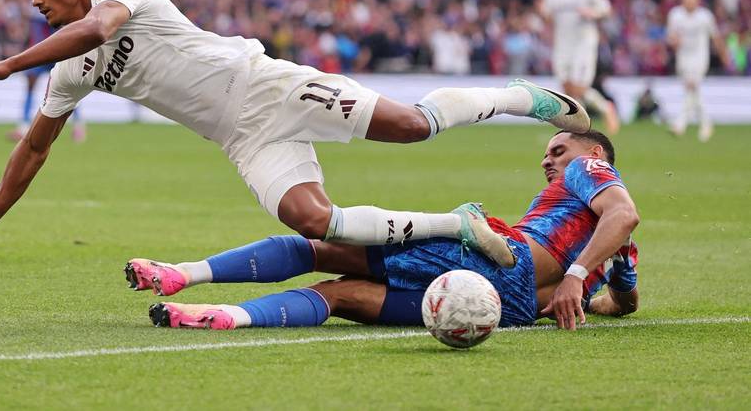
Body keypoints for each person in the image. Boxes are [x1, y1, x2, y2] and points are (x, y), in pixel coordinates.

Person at [0, 0, 590, 268]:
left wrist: (8, 64)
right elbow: (36, 148)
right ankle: (460, 224)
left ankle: (518, 96)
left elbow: (99, 29)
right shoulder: (68, 71)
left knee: (413, 126)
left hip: (263, 83)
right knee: (315, 221)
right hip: (238, 136)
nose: (35, 0)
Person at [131, 130, 639, 332]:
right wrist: (583, 295)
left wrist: (571, 276)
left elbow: (624, 212)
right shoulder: (622, 253)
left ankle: (184, 274)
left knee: (320, 249)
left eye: (558, 151)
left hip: (495, 258)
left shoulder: (589, 172)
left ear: (593, 155)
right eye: (547, 153)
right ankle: (230, 317)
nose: (547, 160)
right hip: (508, 311)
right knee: (341, 297)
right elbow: (625, 303)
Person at [538, 0, 620, 134]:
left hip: (583, 43)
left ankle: (605, 108)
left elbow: (606, 10)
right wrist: (543, 14)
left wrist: (593, 13)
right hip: (562, 44)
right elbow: (547, 15)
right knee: (567, 87)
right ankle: (580, 127)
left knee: (578, 86)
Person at [7, 15, 87, 143]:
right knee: (30, 83)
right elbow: (33, 34)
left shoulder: (53, 7)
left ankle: (78, 125)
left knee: (68, 86)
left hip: (58, 51)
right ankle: (23, 127)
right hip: (41, 53)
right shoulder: (35, 13)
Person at [666, 0, 731, 142]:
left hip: (699, 57)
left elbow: (715, 36)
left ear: (698, 0)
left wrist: (724, 54)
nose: (689, 1)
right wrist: (675, 42)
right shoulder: (675, 15)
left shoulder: (705, 16)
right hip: (683, 58)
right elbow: (671, 37)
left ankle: (679, 124)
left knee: (692, 86)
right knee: (692, 91)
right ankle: (706, 123)